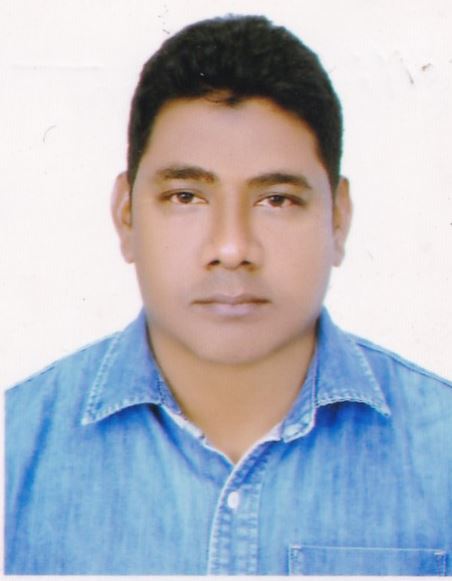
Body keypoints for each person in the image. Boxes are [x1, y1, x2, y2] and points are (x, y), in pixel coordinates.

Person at [5, 14, 451, 576]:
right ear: (126, 215)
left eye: (277, 200)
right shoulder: (14, 450)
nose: (233, 247)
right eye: (186, 196)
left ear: (338, 219)